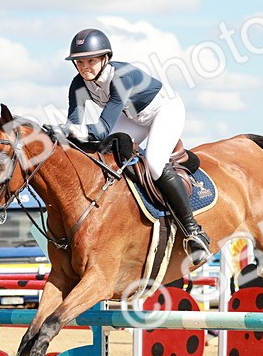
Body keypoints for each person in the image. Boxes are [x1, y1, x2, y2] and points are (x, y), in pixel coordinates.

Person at [59, 27, 210, 268]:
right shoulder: (78, 84)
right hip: (133, 116)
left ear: (105, 58)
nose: (85, 67)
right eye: (79, 62)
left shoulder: (119, 77)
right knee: (104, 156)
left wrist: (70, 131)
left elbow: (102, 128)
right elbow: (74, 125)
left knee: (154, 163)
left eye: (90, 60)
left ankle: (194, 232)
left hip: (164, 109)